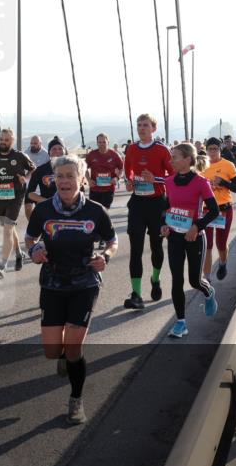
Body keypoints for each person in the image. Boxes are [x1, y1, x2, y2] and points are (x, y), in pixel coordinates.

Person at [26, 155, 118, 424]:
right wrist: (34, 250)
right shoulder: (43, 210)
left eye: (70, 176)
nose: (64, 181)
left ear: (82, 179)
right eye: (60, 176)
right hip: (52, 282)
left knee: (75, 349)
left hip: (84, 283)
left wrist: (106, 257)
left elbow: (112, 240)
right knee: (52, 351)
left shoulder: (96, 211)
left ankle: (76, 400)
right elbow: (30, 237)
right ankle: (62, 353)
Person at [161, 143, 219, 338]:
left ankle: (209, 292)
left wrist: (197, 226)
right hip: (175, 237)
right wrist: (164, 224)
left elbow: (214, 211)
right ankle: (181, 323)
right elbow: (166, 207)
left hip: (195, 237)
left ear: (187, 159)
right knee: (177, 280)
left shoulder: (201, 182)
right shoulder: (169, 181)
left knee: (195, 281)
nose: (171, 160)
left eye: (174, 157)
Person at [122, 114, 173, 310]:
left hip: (157, 204)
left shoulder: (162, 149)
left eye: (145, 125)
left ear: (153, 128)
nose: (141, 128)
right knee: (135, 249)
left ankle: (155, 278)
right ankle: (136, 294)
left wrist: (156, 179)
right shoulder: (132, 149)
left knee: (156, 247)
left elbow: (174, 176)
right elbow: (128, 171)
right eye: (139, 125)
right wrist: (129, 182)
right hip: (137, 203)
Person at [0, 128, 35, 277]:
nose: (3, 142)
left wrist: (25, 178)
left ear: (12, 141)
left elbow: (33, 169)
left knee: (7, 229)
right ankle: (19, 253)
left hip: (16, 196)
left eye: (6, 140)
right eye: (1, 139)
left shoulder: (19, 156)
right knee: (9, 228)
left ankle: (3, 265)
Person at [200, 138, 236, 282]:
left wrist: (223, 182)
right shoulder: (201, 165)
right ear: (206, 150)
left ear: (220, 149)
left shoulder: (228, 165)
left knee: (221, 243)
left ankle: (223, 263)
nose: (213, 152)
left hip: (224, 210)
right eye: (210, 149)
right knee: (207, 245)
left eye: (215, 149)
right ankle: (207, 278)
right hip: (206, 210)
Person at [24, 137, 70, 220]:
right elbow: (30, 194)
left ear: (65, 151)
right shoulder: (40, 170)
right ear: (49, 152)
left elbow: (80, 191)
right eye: (54, 149)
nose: (57, 151)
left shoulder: (72, 169)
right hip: (47, 210)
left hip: (68, 209)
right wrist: (47, 201)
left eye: (60, 148)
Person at [85, 132, 124, 210]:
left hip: (108, 189)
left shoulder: (115, 155)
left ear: (108, 142)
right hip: (94, 189)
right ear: (97, 143)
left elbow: (121, 169)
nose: (102, 144)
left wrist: (117, 178)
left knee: (104, 211)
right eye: (99, 142)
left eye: (104, 142)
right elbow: (84, 168)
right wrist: (89, 180)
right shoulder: (91, 155)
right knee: (94, 211)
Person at [221, 136, 236, 203]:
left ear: (232, 141)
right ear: (225, 143)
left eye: (229, 141)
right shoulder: (223, 150)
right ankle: (226, 200)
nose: (228, 143)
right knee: (224, 186)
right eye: (226, 142)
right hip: (225, 171)